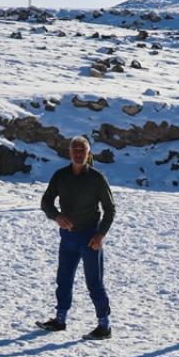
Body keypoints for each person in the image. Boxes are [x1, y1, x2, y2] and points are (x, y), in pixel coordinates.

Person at [36, 136, 115, 341]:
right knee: (63, 279)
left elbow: (110, 209)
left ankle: (104, 325)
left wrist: (100, 234)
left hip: (90, 238)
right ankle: (60, 319)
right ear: (69, 152)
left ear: (89, 153)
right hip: (68, 238)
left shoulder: (97, 178)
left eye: (82, 149)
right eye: (75, 149)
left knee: (94, 283)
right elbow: (46, 201)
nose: (78, 153)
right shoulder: (61, 176)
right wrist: (56, 216)